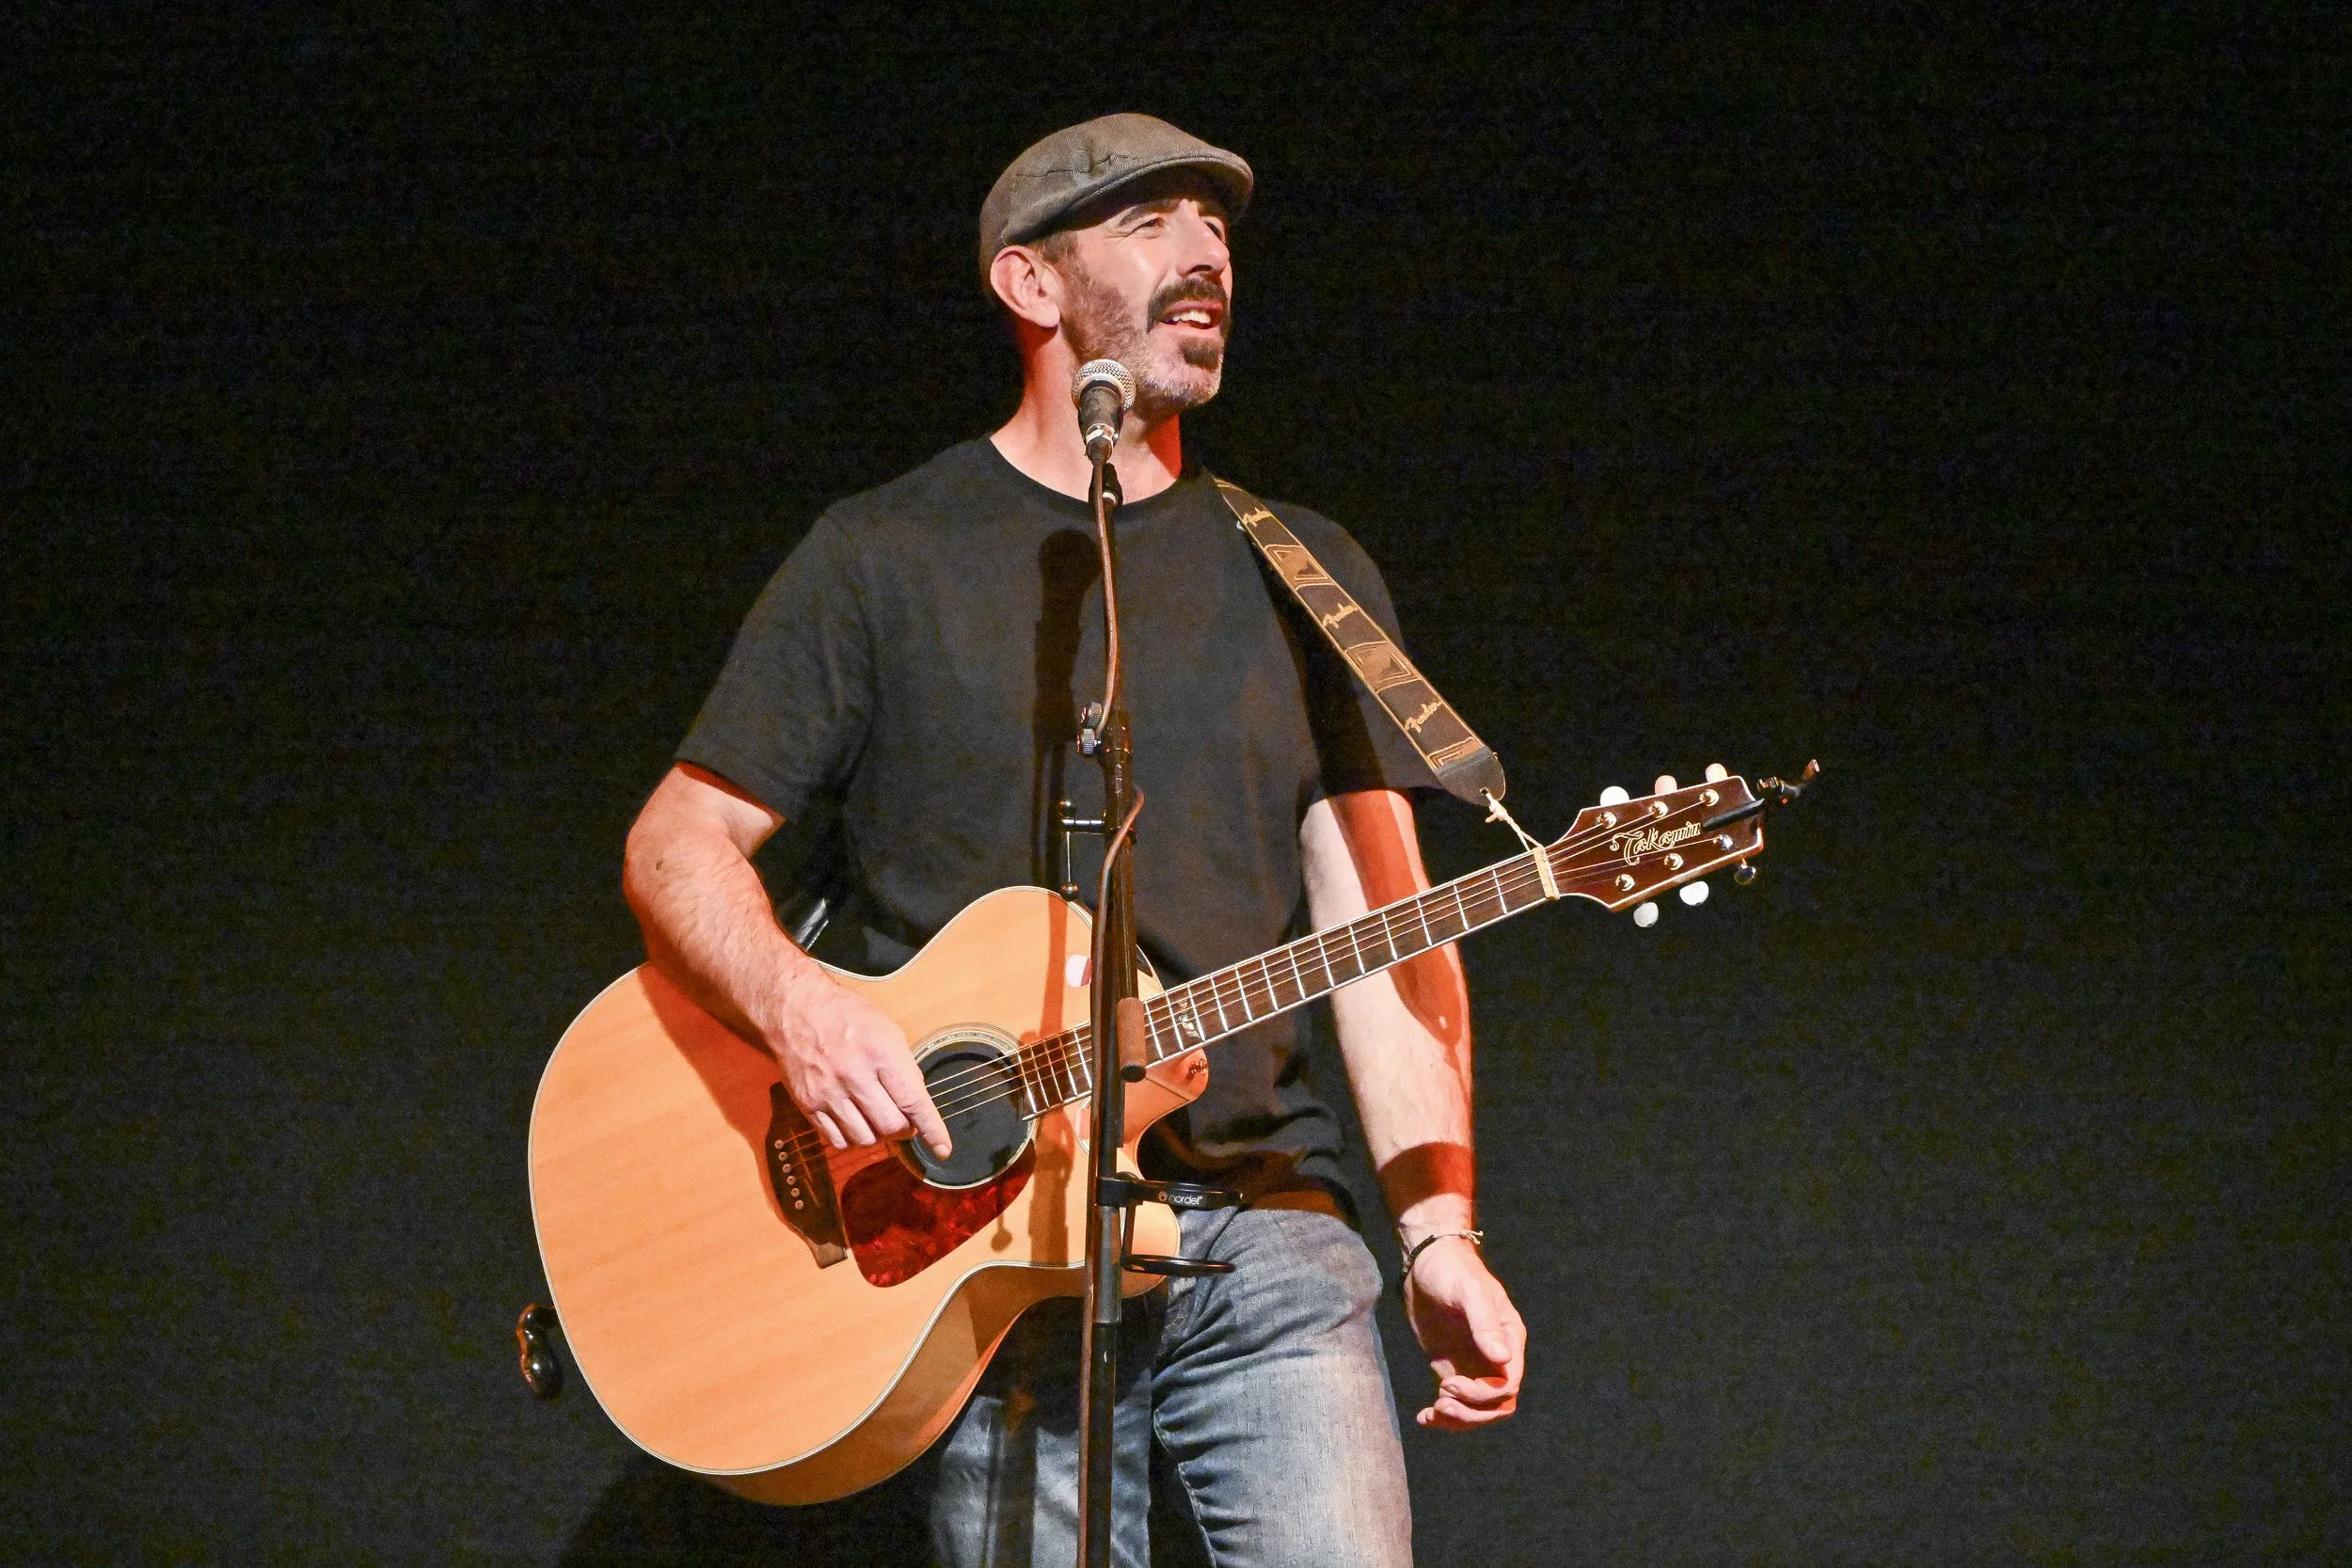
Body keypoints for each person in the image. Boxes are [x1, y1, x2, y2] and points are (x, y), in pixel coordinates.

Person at [620, 113, 1527, 1568]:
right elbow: (677, 844)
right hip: (991, 1242)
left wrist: (1440, 1230)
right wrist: (800, 1010)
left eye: (1218, 226)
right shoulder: (882, 555)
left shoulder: (1310, 572)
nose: (1208, 251)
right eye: (1151, 220)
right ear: (1030, 283)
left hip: (1267, 1236)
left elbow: (1385, 935)